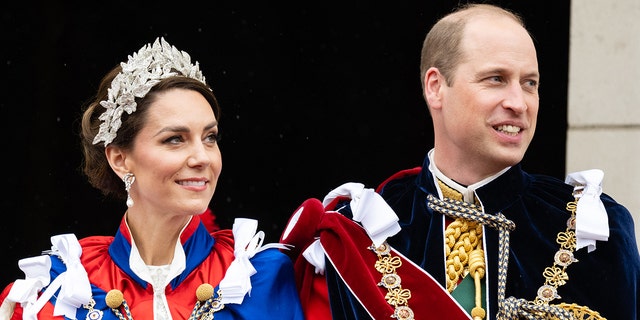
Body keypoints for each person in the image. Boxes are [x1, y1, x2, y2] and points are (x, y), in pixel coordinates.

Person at [279, 3, 640, 320]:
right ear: (435, 87)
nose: (519, 102)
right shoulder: (353, 234)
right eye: (496, 79)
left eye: (530, 83)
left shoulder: (593, 230)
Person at [0, 37, 304, 320]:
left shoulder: (258, 277)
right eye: (175, 139)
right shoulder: (59, 290)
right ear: (120, 159)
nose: (202, 157)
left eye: (210, 137)